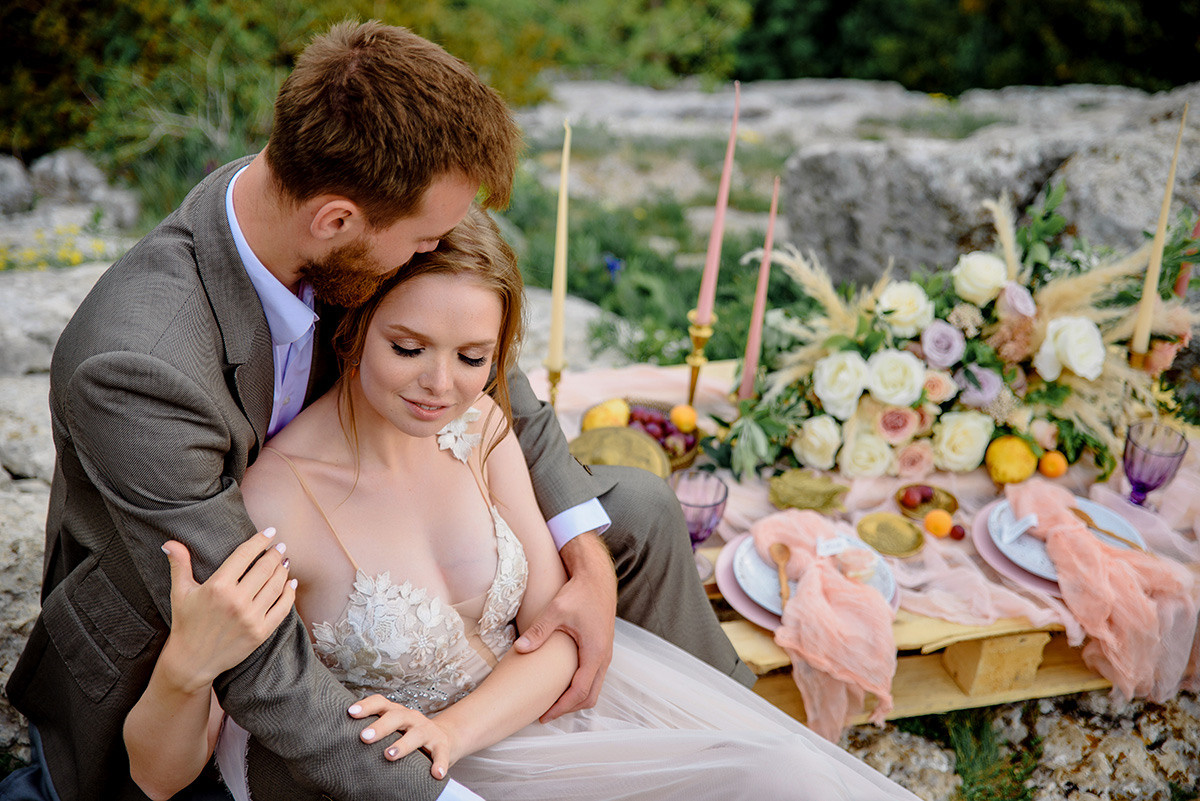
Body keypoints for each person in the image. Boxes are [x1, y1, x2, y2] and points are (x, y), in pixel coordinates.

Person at [1, 19, 746, 801]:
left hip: (364, 510)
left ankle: (738, 728)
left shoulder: (326, 213)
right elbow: (259, 655)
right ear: (337, 222)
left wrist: (588, 573)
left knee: (640, 510)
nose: (434, 252)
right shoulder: (138, 363)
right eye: (424, 241)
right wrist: (445, 791)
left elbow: (496, 380)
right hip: (199, 631)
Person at [124, 205, 923, 800]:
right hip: (403, 779)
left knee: (775, 769)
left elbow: (559, 628)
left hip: (521, 723)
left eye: (472, 356)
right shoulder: (277, 500)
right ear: (354, 329)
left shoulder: (480, 427)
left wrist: (456, 727)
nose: (442, 385)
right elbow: (166, 776)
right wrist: (183, 669)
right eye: (409, 349)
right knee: (761, 777)